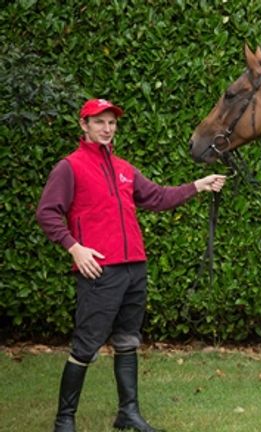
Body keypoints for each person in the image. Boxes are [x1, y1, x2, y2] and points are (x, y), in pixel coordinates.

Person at [36, 98, 226, 432]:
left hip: (134, 268)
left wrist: (199, 185)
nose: (107, 129)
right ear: (84, 125)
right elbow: (48, 212)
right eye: (99, 122)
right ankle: (64, 420)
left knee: (127, 340)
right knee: (85, 346)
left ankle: (128, 413)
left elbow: (157, 197)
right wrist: (75, 248)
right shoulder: (70, 167)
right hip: (99, 270)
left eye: (111, 123)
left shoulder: (125, 169)